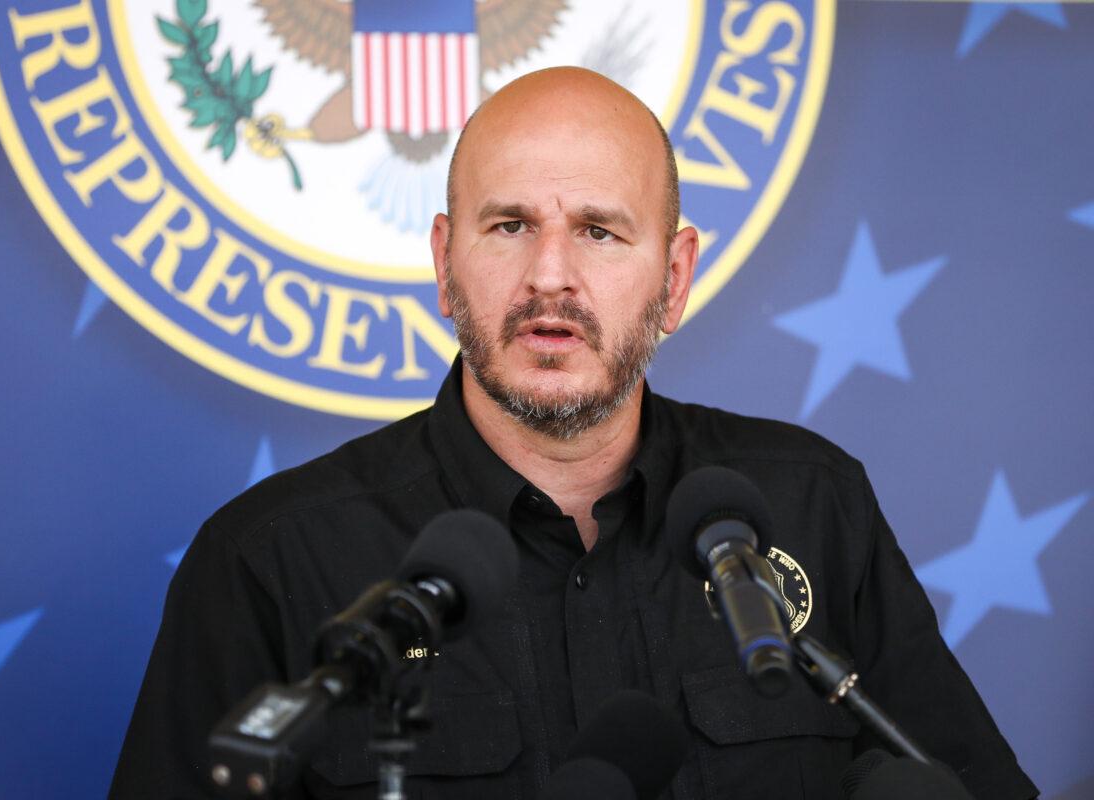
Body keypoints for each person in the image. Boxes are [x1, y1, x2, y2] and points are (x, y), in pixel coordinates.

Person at [110, 68, 1037, 799]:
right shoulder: (271, 561)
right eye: (509, 225)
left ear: (674, 279)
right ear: (444, 264)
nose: (549, 275)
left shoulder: (813, 504)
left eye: (599, 232)